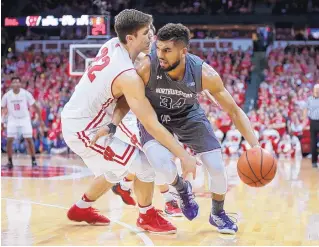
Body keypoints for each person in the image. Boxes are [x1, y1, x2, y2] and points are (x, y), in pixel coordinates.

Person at [93, 23, 260, 234]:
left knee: (217, 168)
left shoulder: (203, 73)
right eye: (158, 48)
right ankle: (182, 189)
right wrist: (113, 123)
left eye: (166, 50)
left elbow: (234, 111)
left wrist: (255, 146)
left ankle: (217, 214)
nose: (159, 54)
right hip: (155, 118)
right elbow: (127, 99)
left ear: (183, 52)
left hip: (189, 116)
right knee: (161, 165)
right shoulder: (146, 66)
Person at [61, 10, 197, 234]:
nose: (152, 36)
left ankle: (81, 208)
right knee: (145, 166)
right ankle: (147, 216)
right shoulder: (127, 75)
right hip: (84, 130)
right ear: (131, 38)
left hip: (86, 118)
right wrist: (184, 155)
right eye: (146, 33)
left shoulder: (113, 44)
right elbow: (150, 122)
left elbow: (134, 67)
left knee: (116, 171)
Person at [110, 24, 183, 217]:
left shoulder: (153, 58)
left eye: (151, 34)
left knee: (155, 156)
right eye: (147, 34)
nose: (150, 38)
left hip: (144, 112)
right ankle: (169, 201)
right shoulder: (126, 56)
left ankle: (124, 185)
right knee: (153, 155)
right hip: (127, 114)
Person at [1, 76, 45, 169]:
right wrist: (2, 120)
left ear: (20, 84)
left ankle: (33, 161)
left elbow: (35, 106)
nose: (16, 84)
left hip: (24, 118)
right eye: (14, 82)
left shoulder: (26, 94)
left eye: (17, 82)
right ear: (11, 84)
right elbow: (2, 108)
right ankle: (10, 162)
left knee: (29, 139)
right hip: (12, 118)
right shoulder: (7, 95)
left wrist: (40, 119)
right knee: (9, 140)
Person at [303, 84, 319, 167]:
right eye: (316, 90)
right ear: (313, 90)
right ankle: (314, 161)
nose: (317, 91)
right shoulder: (309, 99)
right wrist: (304, 120)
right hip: (313, 122)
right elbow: (306, 110)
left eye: (318, 90)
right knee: (313, 142)